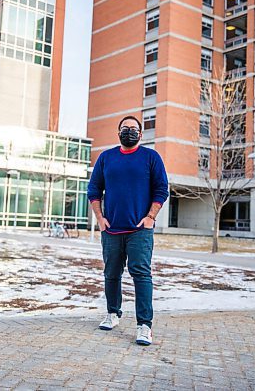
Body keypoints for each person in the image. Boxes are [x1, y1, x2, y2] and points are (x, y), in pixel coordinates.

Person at [87, 115, 168, 346]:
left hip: (139, 230)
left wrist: (151, 217)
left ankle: (145, 326)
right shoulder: (106, 158)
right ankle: (113, 313)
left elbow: (161, 189)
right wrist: (100, 218)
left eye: (133, 129)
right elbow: (94, 190)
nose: (129, 131)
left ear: (141, 134)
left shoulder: (151, 157)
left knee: (141, 273)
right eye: (125, 128)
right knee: (111, 273)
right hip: (111, 229)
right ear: (118, 132)